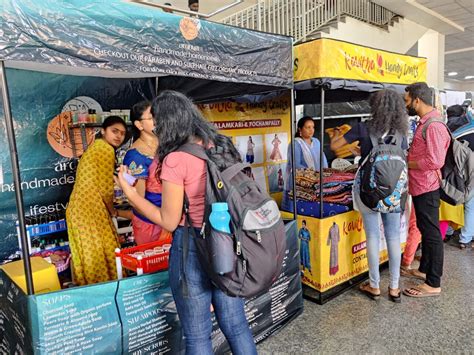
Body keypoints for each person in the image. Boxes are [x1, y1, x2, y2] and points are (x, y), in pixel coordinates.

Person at [117, 90, 257, 355]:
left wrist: (131, 194)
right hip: (227, 240)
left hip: (191, 246)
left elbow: (168, 221)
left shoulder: (175, 158)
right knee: (237, 326)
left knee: (197, 336)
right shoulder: (220, 144)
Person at [330, 89, 408, 302]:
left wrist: (341, 135)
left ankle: (374, 285)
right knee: (392, 236)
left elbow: (335, 145)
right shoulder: (401, 132)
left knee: (372, 236)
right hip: (394, 192)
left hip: (368, 190)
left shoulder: (364, 127)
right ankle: (394, 288)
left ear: (375, 106)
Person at [66, 116, 128, 286]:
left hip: (80, 209)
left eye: (122, 134)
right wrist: (113, 211)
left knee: (89, 260)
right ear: (103, 131)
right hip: (89, 210)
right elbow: (106, 188)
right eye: (114, 131)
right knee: (103, 257)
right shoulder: (105, 149)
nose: (118, 136)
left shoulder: (97, 147)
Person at [402, 82, 451, 298]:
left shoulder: (434, 126)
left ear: (417, 100)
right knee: (424, 228)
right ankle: (425, 271)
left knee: (431, 234)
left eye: (407, 101)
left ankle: (433, 283)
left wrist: (408, 162)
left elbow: (435, 160)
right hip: (421, 186)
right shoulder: (425, 123)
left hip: (428, 187)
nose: (406, 105)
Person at [123, 101, 171, 246]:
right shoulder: (135, 156)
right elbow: (137, 200)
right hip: (151, 225)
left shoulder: (165, 146)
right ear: (139, 125)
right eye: (151, 118)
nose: (157, 120)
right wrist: (162, 221)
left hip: (171, 218)